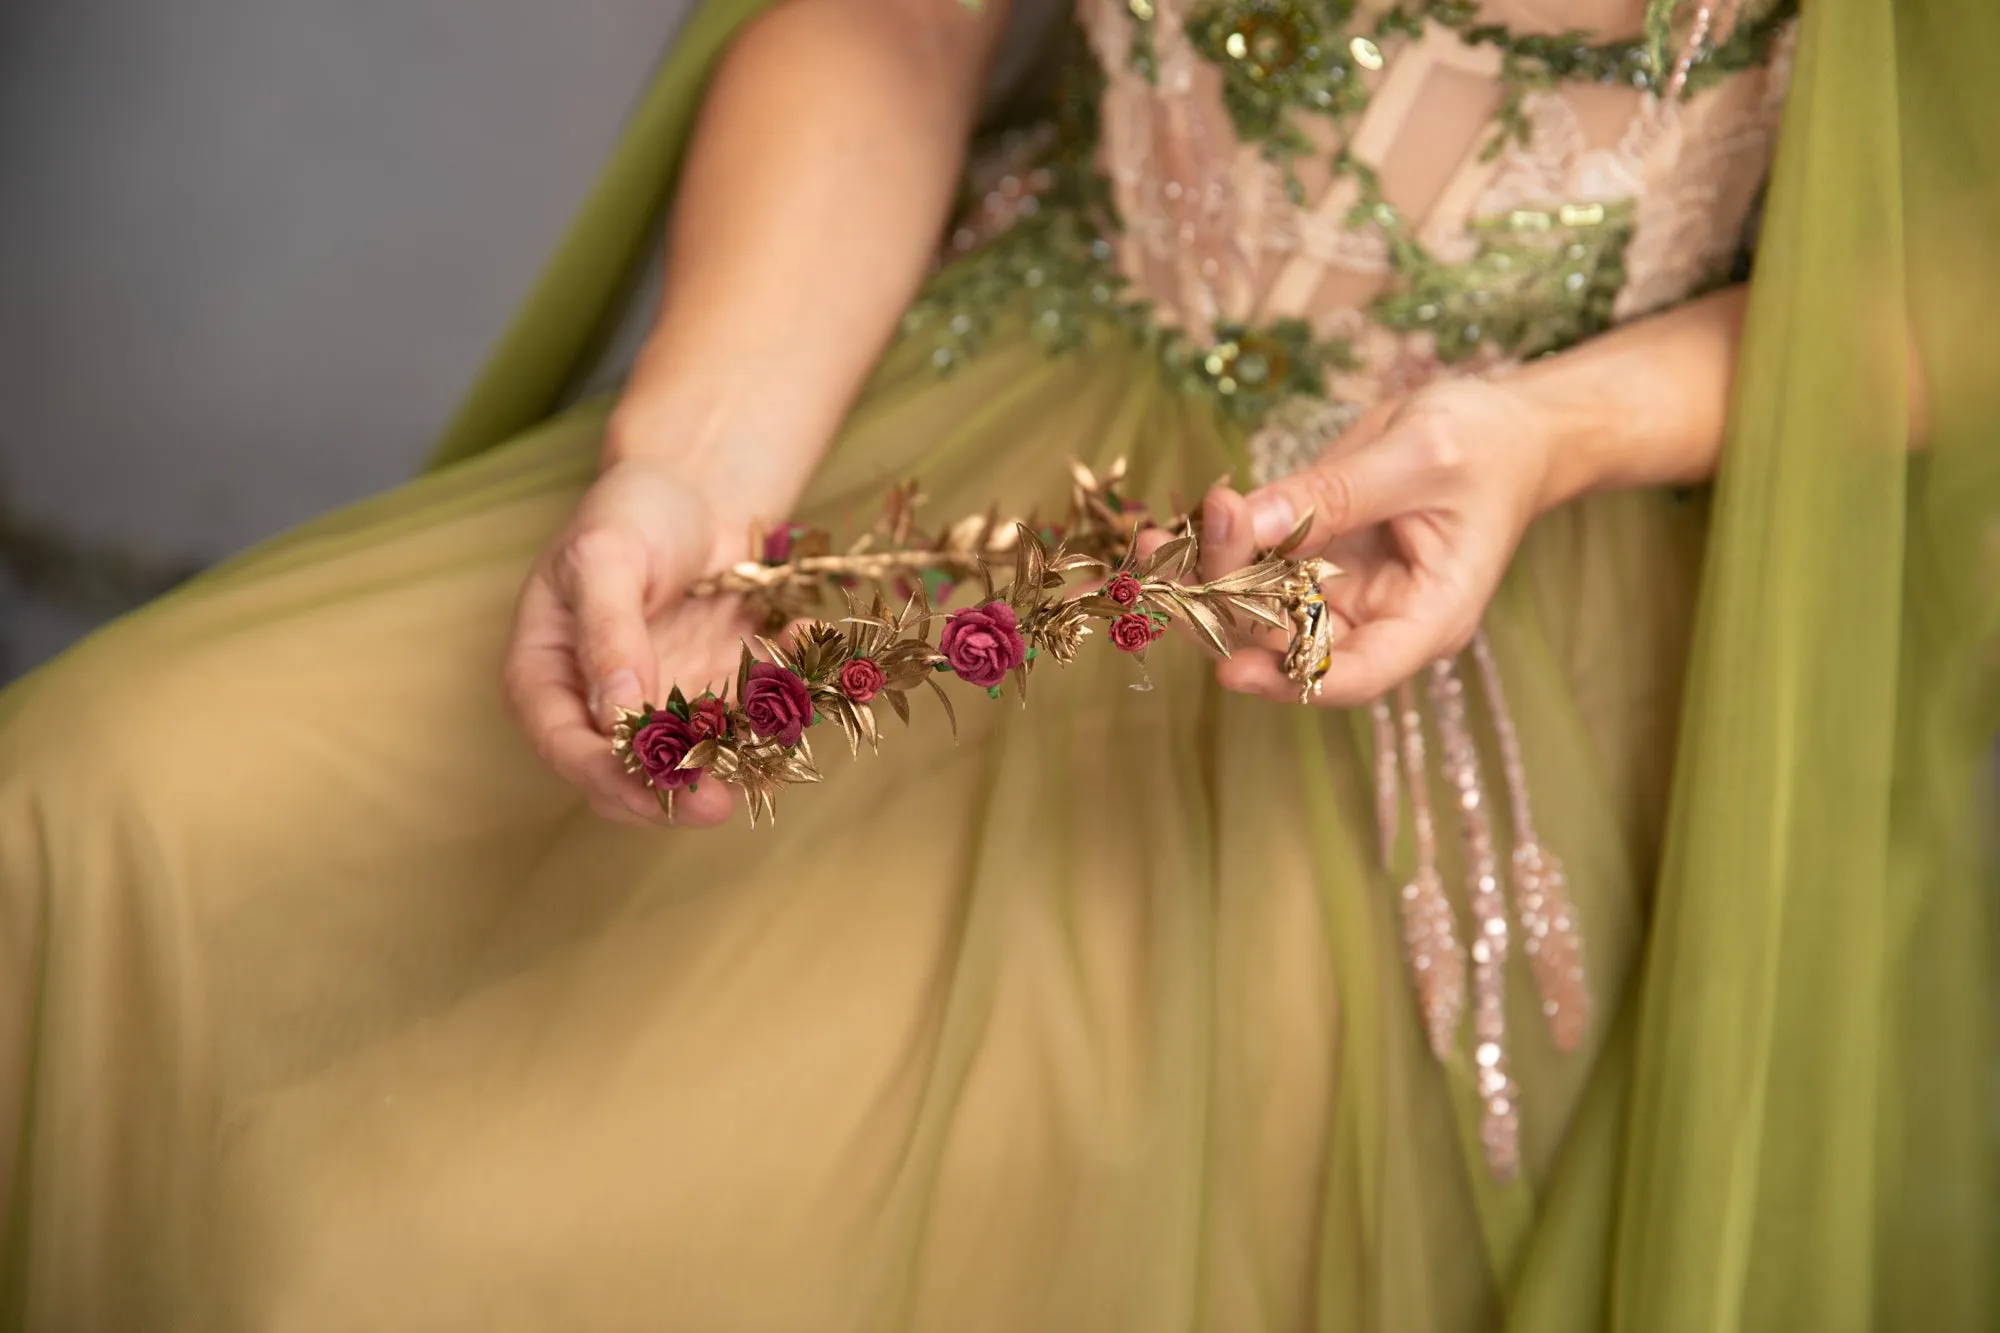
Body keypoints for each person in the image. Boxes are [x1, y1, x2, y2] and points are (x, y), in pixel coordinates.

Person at [0, 0, 1992, 1327]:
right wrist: (697, 467)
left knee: (424, 1254)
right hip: (987, 380)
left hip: (1434, 600)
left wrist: (1564, 428)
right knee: (79, 816)